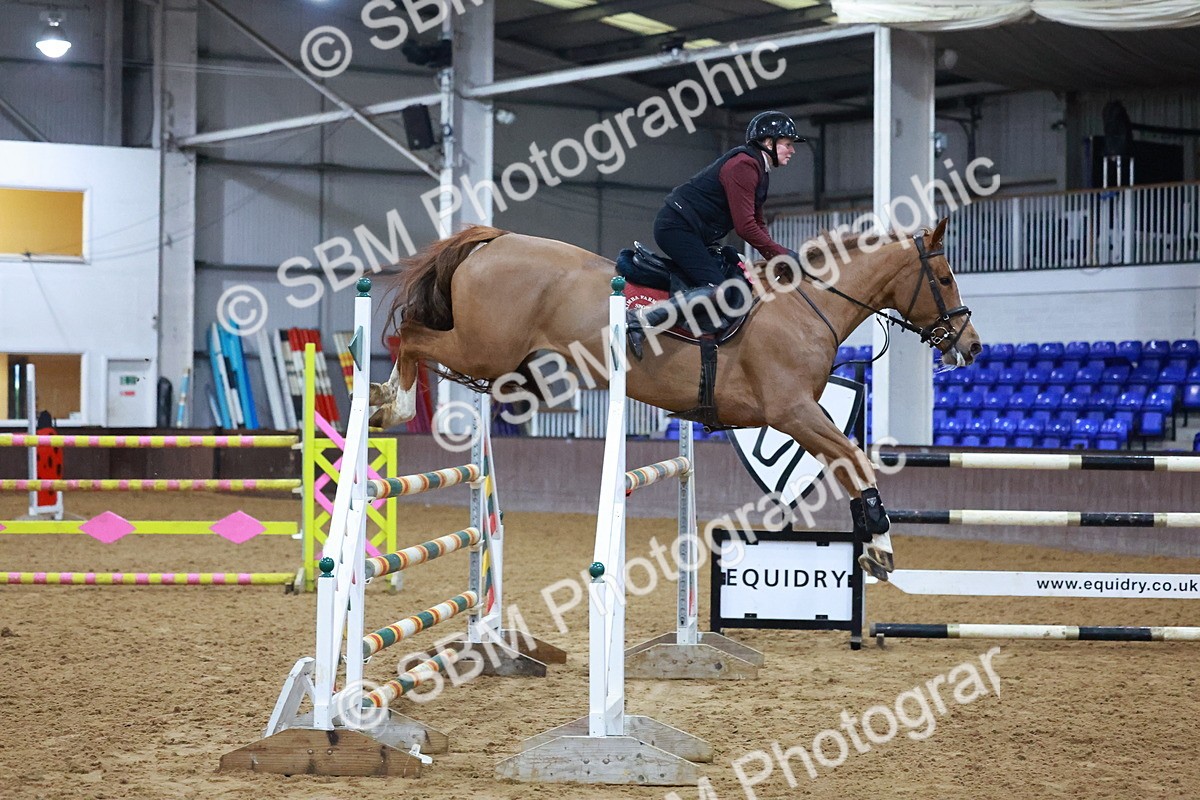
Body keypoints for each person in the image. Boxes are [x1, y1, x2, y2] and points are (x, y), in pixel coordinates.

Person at [628, 111, 802, 358]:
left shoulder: (759, 170)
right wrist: (781, 254)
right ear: (768, 142)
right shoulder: (744, 166)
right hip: (677, 228)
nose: (792, 150)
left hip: (695, 233)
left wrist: (778, 255)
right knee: (716, 289)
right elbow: (745, 228)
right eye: (787, 144)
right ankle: (640, 319)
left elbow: (758, 223)